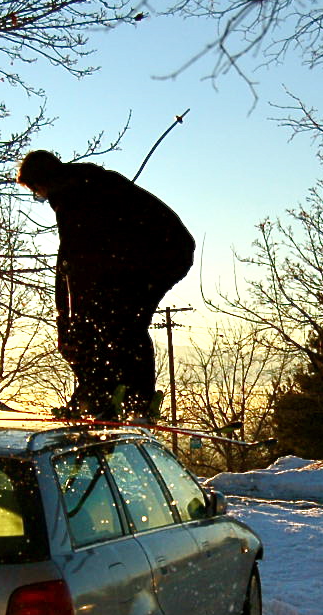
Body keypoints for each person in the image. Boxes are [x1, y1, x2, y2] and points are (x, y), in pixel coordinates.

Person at [17, 149, 195, 419]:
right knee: (107, 322)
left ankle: (132, 401)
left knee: (122, 324)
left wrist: (71, 320)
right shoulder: (83, 183)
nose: (41, 198)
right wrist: (69, 317)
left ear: (41, 182)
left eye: (36, 193)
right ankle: (106, 394)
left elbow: (73, 263)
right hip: (150, 254)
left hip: (159, 255)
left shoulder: (72, 197)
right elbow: (70, 265)